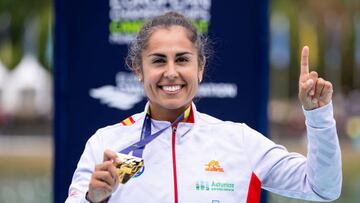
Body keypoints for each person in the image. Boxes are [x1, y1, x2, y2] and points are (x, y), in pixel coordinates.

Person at [65, 12, 342, 203]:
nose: (171, 72)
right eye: (159, 61)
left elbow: (323, 188)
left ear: (200, 68)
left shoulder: (239, 141)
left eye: (182, 60)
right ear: (138, 69)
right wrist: (93, 199)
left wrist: (318, 117)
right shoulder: (106, 143)